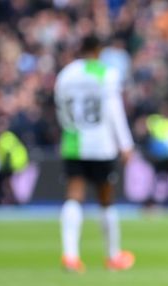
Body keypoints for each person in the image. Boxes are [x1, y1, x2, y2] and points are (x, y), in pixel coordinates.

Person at [54, 34, 135, 273]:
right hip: (101, 145)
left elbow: (60, 109)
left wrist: (70, 129)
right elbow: (114, 111)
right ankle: (113, 256)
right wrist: (125, 144)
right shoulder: (106, 74)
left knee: (73, 196)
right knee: (106, 199)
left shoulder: (66, 74)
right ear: (98, 50)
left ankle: (70, 256)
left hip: (73, 141)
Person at [0, 116, 29, 205]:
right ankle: (7, 198)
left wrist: (4, 167)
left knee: (5, 180)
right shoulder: (7, 136)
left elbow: (7, 155)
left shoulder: (5, 138)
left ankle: (5, 199)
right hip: (16, 163)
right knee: (5, 181)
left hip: (13, 163)